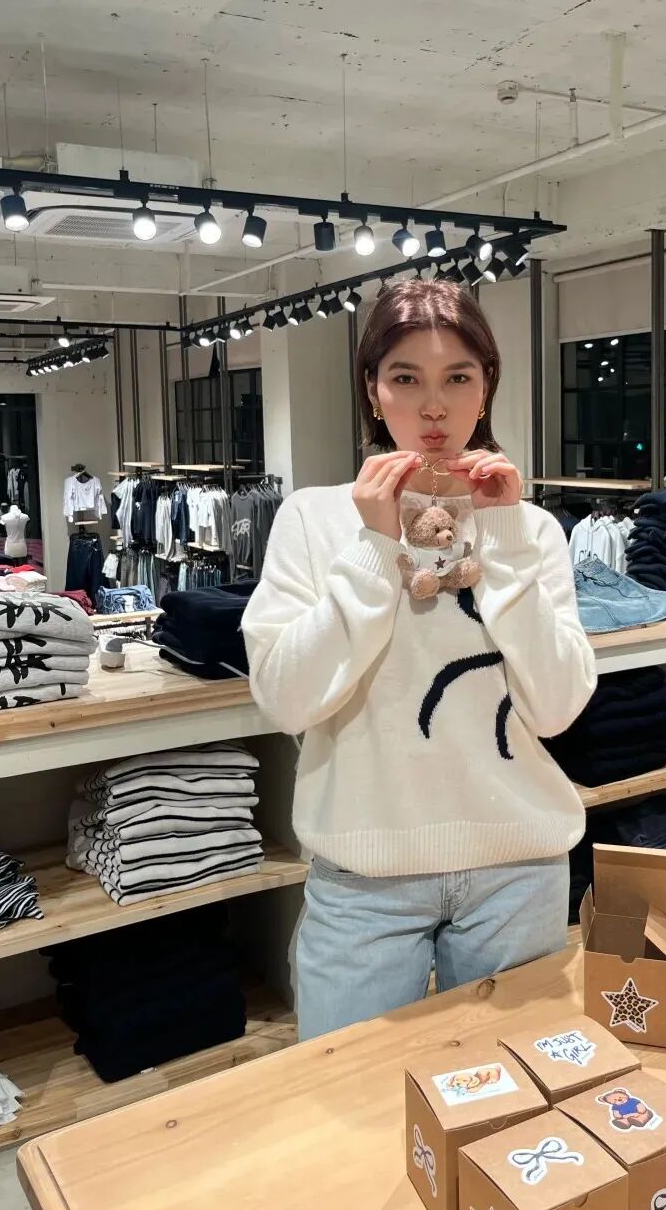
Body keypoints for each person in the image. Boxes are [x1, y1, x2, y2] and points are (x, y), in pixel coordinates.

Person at [242, 277, 597, 1040]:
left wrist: (504, 543)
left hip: (519, 868)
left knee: (508, 1088)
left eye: (457, 378)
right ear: (373, 391)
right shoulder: (314, 519)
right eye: (406, 379)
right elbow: (284, 699)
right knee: (351, 1099)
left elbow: (558, 708)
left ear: (486, 386)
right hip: (364, 879)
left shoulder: (529, 528)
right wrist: (374, 548)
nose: (433, 407)